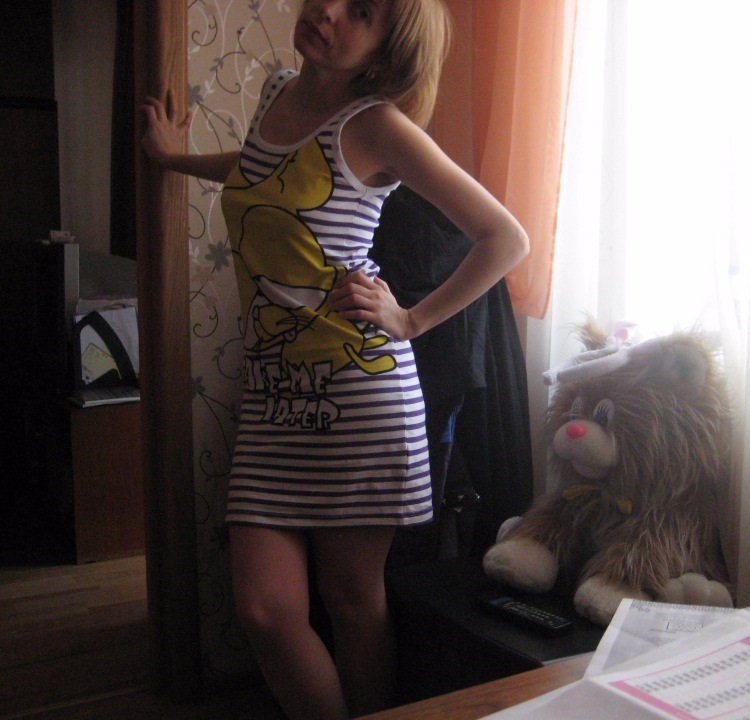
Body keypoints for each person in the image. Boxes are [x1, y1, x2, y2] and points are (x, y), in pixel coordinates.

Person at [140, 1, 528, 718]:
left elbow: (505, 238)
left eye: (362, 13)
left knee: (351, 601)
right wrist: (173, 160)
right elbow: (259, 171)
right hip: (272, 397)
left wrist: (410, 320)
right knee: (264, 611)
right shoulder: (278, 93)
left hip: (357, 398)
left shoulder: (377, 126)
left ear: (387, 48)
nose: (327, 11)